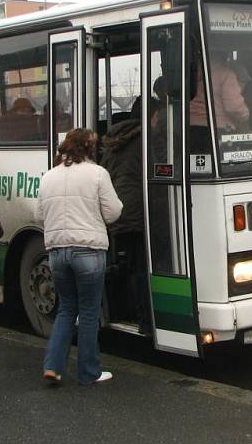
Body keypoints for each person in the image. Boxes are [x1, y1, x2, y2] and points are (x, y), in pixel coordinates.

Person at [36, 128, 123, 385]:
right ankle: (89, 372)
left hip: (57, 253)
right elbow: (113, 212)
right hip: (88, 252)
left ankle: (52, 366)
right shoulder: (98, 174)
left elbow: (39, 214)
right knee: (87, 312)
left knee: (65, 309)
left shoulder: (48, 177)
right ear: (89, 149)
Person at [100, 97, 158, 332]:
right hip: (136, 213)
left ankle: (130, 312)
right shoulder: (147, 141)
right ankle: (146, 320)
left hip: (118, 211)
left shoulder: (116, 140)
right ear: (151, 116)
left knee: (131, 265)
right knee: (141, 268)